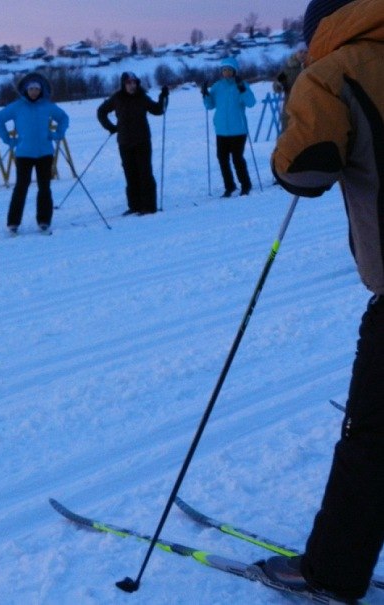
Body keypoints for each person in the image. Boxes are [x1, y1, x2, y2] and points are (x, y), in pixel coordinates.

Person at [258, 0, 384, 602]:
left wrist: (300, 106)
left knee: (374, 436)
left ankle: (332, 573)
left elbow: (304, 172)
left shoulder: (333, 73)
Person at [0, 72, 69, 235]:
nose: (34, 92)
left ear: (41, 90)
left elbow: (63, 118)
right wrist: (8, 139)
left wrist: (58, 134)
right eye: (31, 89)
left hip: (45, 153)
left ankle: (44, 221)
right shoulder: (17, 106)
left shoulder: (47, 105)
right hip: (24, 154)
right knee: (21, 187)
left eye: (37, 89)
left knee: (44, 187)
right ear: (26, 90)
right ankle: (13, 223)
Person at [97, 72, 168, 215]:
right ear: (123, 84)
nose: (132, 85)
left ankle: (149, 206)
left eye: (134, 82)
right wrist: (111, 127)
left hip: (142, 141)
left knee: (145, 173)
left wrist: (163, 97)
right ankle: (135, 206)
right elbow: (101, 112)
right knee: (130, 174)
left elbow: (158, 110)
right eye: (129, 83)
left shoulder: (142, 97)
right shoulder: (117, 98)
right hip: (124, 142)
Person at [202, 56, 257, 197]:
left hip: (238, 130)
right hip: (221, 130)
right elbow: (210, 105)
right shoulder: (217, 86)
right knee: (222, 159)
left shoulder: (241, 85)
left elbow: (251, 103)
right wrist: (206, 94)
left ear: (234, 71)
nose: (226, 72)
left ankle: (246, 185)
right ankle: (230, 186)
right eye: (224, 70)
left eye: (229, 70)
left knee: (237, 159)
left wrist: (242, 89)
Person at [273, 42, 308, 131]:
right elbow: (276, 85)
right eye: (301, 52)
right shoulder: (288, 69)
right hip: (291, 107)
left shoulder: (312, 67)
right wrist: (279, 84)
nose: (303, 54)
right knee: (289, 133)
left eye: (306, 52)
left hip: (309, 107)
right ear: (296, 53)